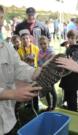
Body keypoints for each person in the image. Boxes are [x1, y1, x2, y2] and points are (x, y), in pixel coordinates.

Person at [0, 5, 41, 135]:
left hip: (8, 120)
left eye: (1, 18)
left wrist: (38, 72)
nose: (0, 22)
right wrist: (12, 94)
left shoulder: (6, 47)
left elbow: (18, 67)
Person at [59, 30, 78, 111]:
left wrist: (63, 69)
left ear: (77, 39)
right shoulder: (70, 48)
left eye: (72, 38)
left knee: (72, 98)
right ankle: (70, 111)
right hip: (69, 77)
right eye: (69, 38)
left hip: (74, 78)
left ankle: (73, 114)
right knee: (68, 96)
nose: (70, 40)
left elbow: (72, 64)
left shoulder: (77, 50)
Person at [38, 36, 57, 111]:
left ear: (48, 43)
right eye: (41, 44)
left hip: (50, 75)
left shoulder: (51, 52)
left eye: (44, 44)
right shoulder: (40, 52)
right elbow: (39, 62)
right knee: (46, 91)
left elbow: (52, 63)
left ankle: (54, 106)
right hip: (43, 75)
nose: (43, 45)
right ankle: (49, 105)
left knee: (52, 91)